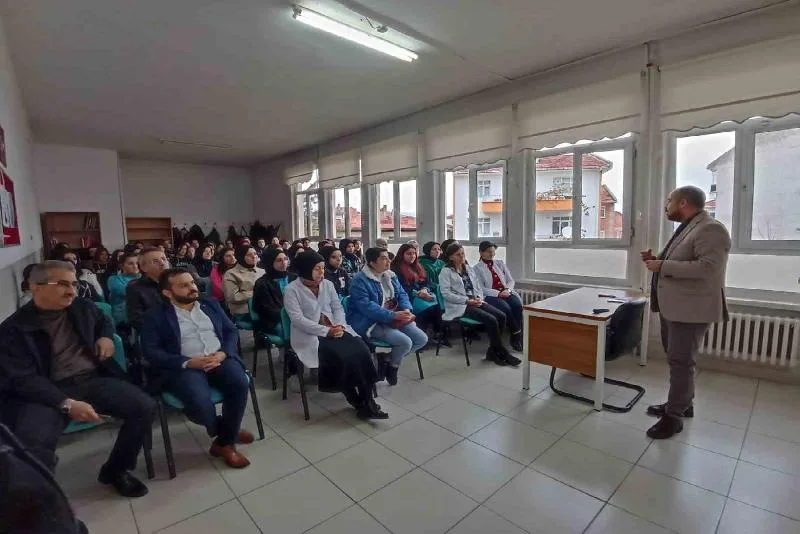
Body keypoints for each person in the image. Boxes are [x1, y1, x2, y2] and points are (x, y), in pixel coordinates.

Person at [0, 261, 156, 497]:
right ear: (35, 287)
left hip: (91, 379)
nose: (71, 291)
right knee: (34, 442)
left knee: (144, 407)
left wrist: (105, 338)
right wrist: (67, 403)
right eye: (62, 284)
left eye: (73, 284)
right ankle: (43, 503)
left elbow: (104, 321)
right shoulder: (13, 329)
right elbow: (24, 379)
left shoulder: (82, 307)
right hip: (46, 393)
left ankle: (116, 470)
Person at [642, 186, 731, 439]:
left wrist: (662, 265)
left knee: (681, 362)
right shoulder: (688, 227)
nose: (666, 205)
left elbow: (708, 268)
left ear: (683, 202)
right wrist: (654, 260)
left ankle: (673, 418)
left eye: (669, 201)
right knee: (677, 361)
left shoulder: (711, 228)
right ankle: (682, 404)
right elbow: (679, 260)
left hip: (691, 309)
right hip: (676, 306)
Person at [141, 268, 253, 468]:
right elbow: (151, 352)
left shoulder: (210, 304)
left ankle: (224, 444)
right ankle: (228, 431)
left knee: (239, 384)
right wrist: (188, 362)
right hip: (185, 366)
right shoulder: (154, 316)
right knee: (200, 404)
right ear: (167, 292)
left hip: (218, 358)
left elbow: (230, 331)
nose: (192, 288)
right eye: (183, 285)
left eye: (192, 283)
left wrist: (223, 353)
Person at [284, 251, 386, 419]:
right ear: (305, 269)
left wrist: (339, 325)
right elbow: (298, 320)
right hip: (310, 335)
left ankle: (368, 400)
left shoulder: (327, 285)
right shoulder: (291, 290)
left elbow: (337, 307)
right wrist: (326, 331)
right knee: (340, 357)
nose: (321, 272)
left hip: (335, 328)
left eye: (323, 268)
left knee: (362, 350)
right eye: (317, 269)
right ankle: (355, 399)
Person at [348, 248, 428, 385]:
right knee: (405, 342)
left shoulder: (390, 275)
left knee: (421, 339)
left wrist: (407, 309)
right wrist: (392, 315)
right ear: (372, 262)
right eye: (384, 258)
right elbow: (366, 307)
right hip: (371, 321)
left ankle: (386, 360)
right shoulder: (360, 280)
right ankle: (394, 367)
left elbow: (401, 294)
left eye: (388, 258)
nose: (388, 261)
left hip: (394, 317)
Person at [440, 244, 520, 366]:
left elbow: (478, 287)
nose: (462, 257)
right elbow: (446, 293)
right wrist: (467, 300)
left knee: (502, 316)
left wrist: (479, 299)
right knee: (491, 320)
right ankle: (501, 352)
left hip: (476, 301)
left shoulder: (468, 268)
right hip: (461, 305)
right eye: (458, 255)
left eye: (462, 253)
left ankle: (492, 352)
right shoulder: (446, 272)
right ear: (451, 257)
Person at [474, 241, 524, 351]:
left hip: (506, 292)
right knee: (506, 309)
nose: (492, 254)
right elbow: (481, 288)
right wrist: (498, 293)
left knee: (517, 306)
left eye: (493, 252)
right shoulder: (476, 268)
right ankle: (516, 336)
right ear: (481, 253)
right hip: (491, 296)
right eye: (489, 252)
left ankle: (517, 335)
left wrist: (507, 289)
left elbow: (510, 280)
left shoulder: (500, 263)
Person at [391, 243, 444, 343]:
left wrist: (425, 290)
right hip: (407, 297)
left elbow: (426, 282)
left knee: (438, 305)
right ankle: (421, 336)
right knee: (428, 308)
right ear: (402, 254)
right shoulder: (396, 268)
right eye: (409, 254)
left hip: (422, 294)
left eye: (414, 253)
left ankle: (436, 334)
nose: (412, 256)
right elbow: (400, 288)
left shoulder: (417, 266)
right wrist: (418, 293)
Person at [252, 247, 295, 333]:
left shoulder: (294, 277)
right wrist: (290, 316)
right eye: (279, 260)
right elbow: (267, 309)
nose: (284, 263)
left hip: (295, 316)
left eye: (285, 259)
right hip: (274, 321)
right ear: (270, 263)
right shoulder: (262, 283)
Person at [126, 246, 169, 331]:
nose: (162, 263)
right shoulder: (135, 288)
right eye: (155, 261)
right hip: (158, 332)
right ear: (143, 267)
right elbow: (137, 320)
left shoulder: (176, 281)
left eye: (164, 259)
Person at [223, 245, 265, 318]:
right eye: (249, 255)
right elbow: (232, 297)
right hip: (244, 313)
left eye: (255, 254)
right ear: (241, 256)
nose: (254, 257)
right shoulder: (231, 274)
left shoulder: (262, 271)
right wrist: (258, 293)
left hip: (265, 309)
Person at [107, 252, 140, 326]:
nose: (135, 266)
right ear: (122, 266)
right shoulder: (114, 279)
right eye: (130, 263)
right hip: (122, 320)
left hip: (140, 317)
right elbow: (130, 293)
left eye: (137, 263)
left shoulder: (143, 278)